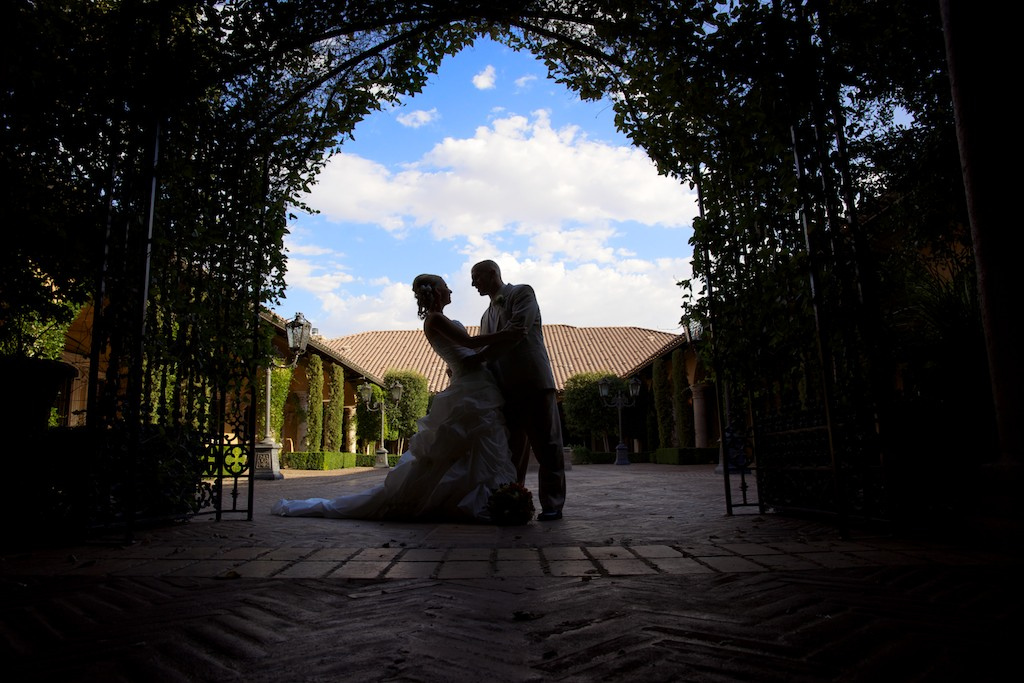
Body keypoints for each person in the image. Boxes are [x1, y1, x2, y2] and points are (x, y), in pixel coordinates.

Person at [271, 274, 523, 522]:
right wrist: (509, 333)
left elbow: (460, 351)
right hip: (471, 386)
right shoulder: (435, 319)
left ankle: (480, 497)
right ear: (436, 292)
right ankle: (463, 499)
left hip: (474, 383)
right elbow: (468, 342)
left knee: (475, 445)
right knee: (471, 441)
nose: (451, 291)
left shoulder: (439, 319)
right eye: (446, 287)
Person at [470, 260, 566, 521]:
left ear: (493, 273)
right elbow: (487, 350)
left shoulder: (521, 292)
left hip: (533, 382)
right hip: (503, 391)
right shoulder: (485, 315)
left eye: (476, 277)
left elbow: (517, 330)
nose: (473, 283)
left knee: (548, 447)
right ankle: (514, 502)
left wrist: (476, 354)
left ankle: (552, 504)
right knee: (511, 453)